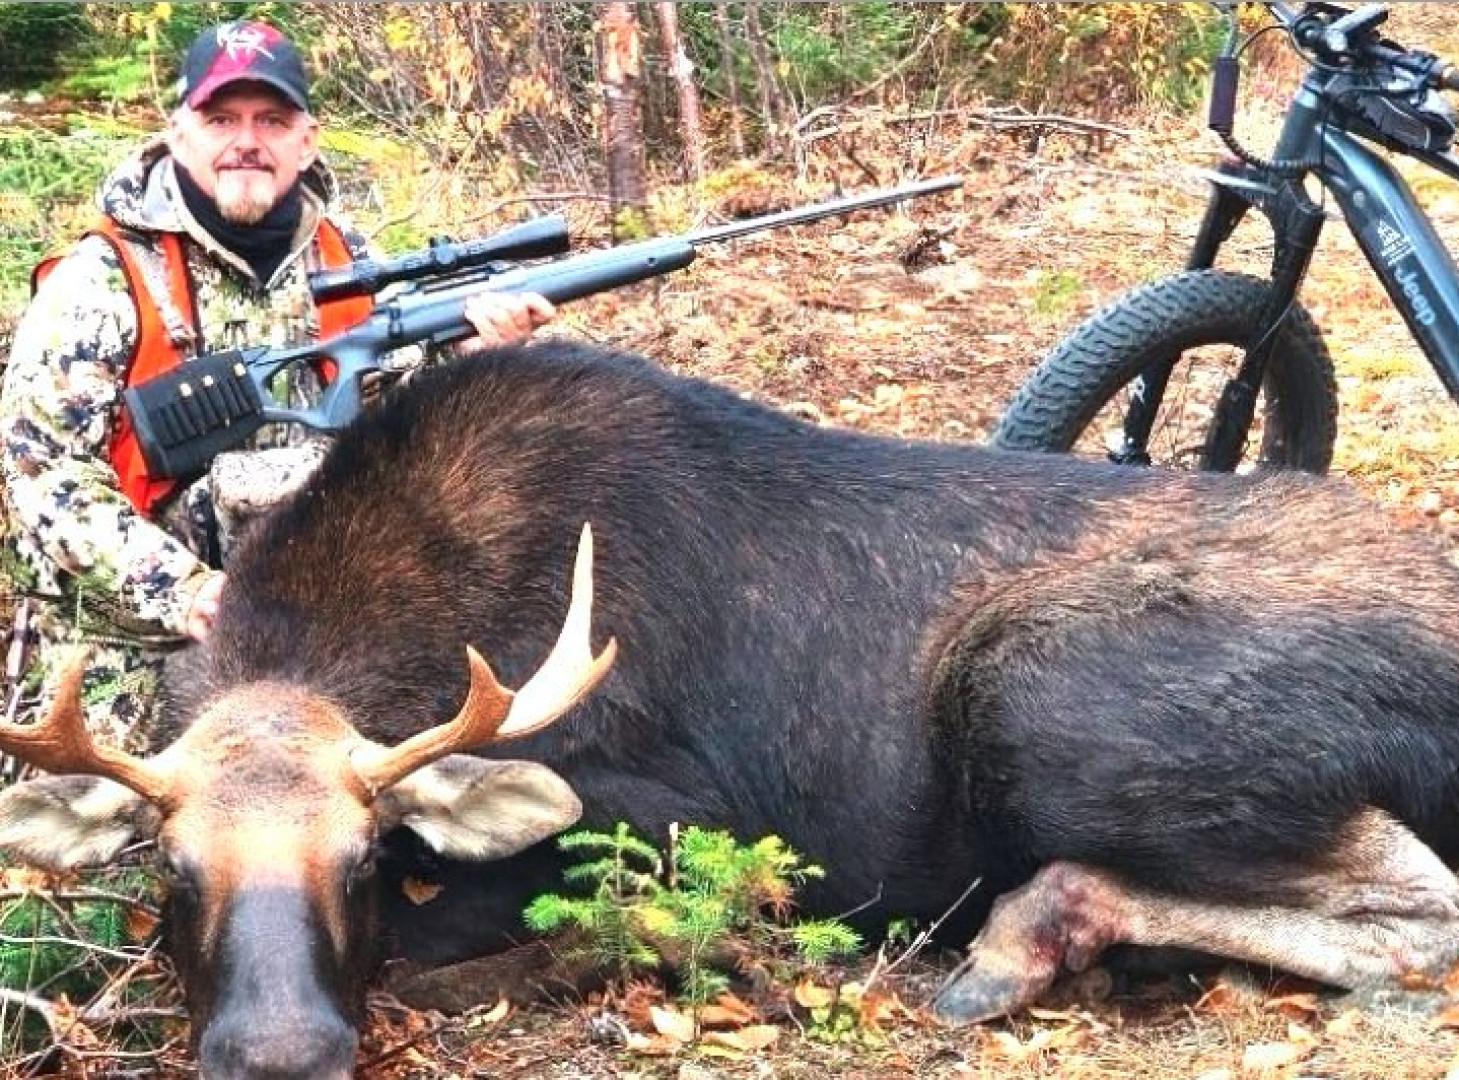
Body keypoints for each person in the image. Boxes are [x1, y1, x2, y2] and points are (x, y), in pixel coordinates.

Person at [0, 19, 556, 751]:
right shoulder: (99, 283)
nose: (247, 141)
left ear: (307, 138)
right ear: (178, 133)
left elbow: (389, 424)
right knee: (122, 849)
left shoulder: (351, 261)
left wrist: (473, 358)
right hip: (136, 638)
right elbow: (45, 481)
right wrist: (186, 592)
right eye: (221, 119)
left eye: (272, 119)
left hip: (320, 623)